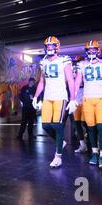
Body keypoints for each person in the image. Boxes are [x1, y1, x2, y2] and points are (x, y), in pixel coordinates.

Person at [74, 40, 102, 169]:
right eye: (89, 49)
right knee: (91, 128)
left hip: (101, 99)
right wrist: (72, 98)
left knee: (101, 127)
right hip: (87, 99)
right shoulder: (82, 64)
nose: (91, 51)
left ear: (98, 50)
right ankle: (94, 153)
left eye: (93, 49)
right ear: (86, 51)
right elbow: (77, 82)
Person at [32, 36, 76, 168]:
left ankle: (58, 157)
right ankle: (60, 141)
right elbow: (41, 82)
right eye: (48, 46)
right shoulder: (43, 62)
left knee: (57, 125)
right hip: (47, 97)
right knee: (45, 125)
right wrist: (35, 97)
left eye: (52, 45)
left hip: (60, 96)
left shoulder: (64, 60)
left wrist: (73, 99)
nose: (49, 48)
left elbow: (70, 80)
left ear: (57, 47)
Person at [72, 55, 89, 153]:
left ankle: (93, 142)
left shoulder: (86, 68)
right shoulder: (72, 70)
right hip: (76, 96)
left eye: (78, 61)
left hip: (86, 95)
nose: (77, 63)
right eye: (76, 61)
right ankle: (82, 144)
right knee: (77, 122)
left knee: (88, 123)